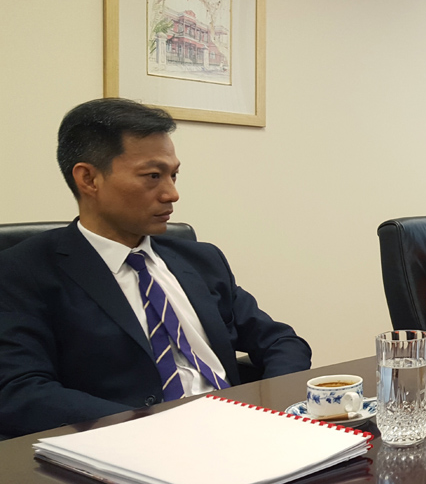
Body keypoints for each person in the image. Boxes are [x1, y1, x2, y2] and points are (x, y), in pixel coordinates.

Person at [0, 99, 311, 438]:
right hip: (129, 450)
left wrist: (271, 412)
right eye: (152, 176)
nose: (172, 194)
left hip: (242, 433)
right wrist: (158, 425)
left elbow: (281, 341)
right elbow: (20, 391)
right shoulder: (25, 271)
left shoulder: (201, 260)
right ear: (88, 178)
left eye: (173, 175)